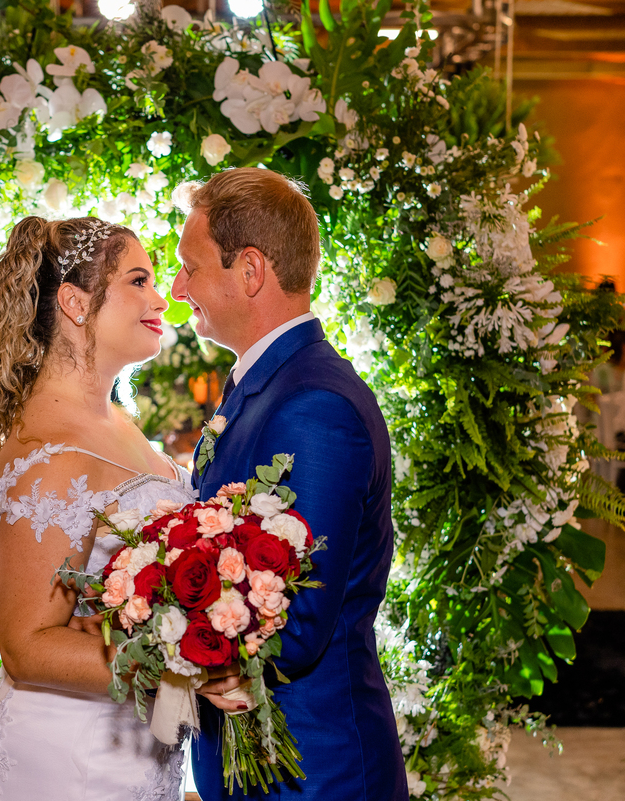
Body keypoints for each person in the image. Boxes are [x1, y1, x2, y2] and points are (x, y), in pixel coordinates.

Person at [171, 168, 409, 801]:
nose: (176, 288)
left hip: (310, 770)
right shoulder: (271, 383)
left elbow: (295, 626)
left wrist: (160, 633)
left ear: (250, 271)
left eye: (190, 268)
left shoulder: (314, 406)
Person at [0, 216, 194, 800]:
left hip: (132, 748)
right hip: (72, 763)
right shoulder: (53, 452)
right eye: (138, 281)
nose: (160, 298)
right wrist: (182, 665)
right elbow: (26, 644)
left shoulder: (115, 420)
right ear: (73, 301)